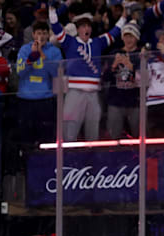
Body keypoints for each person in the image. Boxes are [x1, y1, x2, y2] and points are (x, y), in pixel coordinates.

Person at [50, 9, 127, 141]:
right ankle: (67, 158)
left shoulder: (97, 42)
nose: (86, 29)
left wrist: (124, 18)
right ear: (78, 29)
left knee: (93, 129)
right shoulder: (69, 41)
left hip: (93, 93)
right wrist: (52, 12)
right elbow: (56, 28)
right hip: (74, 92)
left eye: (88, 26)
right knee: (70, 130)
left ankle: (92, 157)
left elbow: (114, 33)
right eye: (83, 26)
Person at [16, 21, 60, 147]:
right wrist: (32, 56)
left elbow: (57, 73)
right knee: (25, 139)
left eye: (44, 33)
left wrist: (42, 55)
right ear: (33, 35)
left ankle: (46, 165)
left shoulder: (54, 51)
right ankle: (26, 165)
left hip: (45, 99)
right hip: (25, 99)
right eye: (39, 33)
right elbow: (20, 72)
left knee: (46, 138)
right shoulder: (25, 49)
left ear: (48, 35)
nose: (41, 36)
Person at [104, 21, 141, 139]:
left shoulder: (142, 54)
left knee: (139, 136)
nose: (128, 39)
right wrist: (114, 65)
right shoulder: (115, 53)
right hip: (116, 102)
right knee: (113, 137)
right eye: (126, 36)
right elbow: (105, 78)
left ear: (137, 37)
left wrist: (131, 67)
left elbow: (146, 80)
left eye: (131, 36)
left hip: (135, 102)